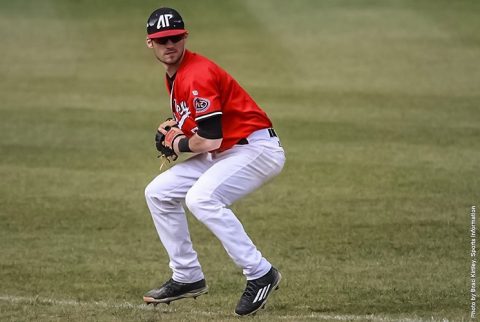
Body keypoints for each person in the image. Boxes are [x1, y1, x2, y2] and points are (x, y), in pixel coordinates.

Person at [142, 7, 286, 316]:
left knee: (201, 198)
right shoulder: (176, 75)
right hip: (229, 150)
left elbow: (209, 140)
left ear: (185, 37)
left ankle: (260, 272)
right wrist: (179, 132)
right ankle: (187, 276)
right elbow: (201, 130)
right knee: (158, 192)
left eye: (175, 38)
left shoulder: (197, 74)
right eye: (162, 40)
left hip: (256, 149)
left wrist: (177, 141)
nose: (170, 45)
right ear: (150, 43)